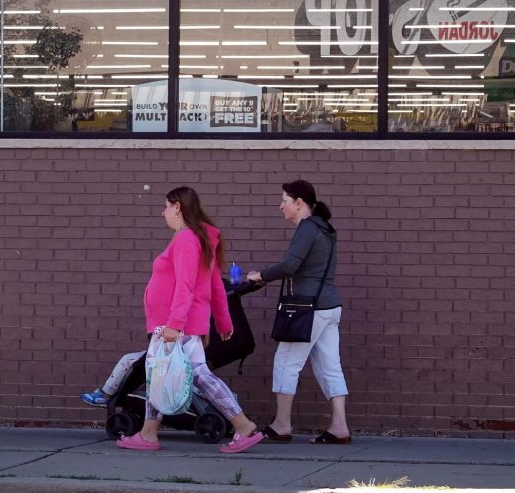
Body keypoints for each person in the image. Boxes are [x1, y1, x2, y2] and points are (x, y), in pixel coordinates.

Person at [114, 186, 264, 454]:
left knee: (163, 373)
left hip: (173, 325)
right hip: (180, 323)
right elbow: (214, 284)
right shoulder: (199, 239)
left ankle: (242, 426)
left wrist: (175, 323)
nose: (163, 213)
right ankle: (149, 433)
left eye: (165, 206)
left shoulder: (185, 239)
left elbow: (185, 285)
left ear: (177, 207)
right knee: (163, 374)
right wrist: (222, 321)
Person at [246, 179, 350, 444]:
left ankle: (282, 424)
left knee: (285, 362)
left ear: (299, 203)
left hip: (308, 308)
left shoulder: (308, 227)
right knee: (330, 366)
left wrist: (261, 276)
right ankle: (339, 426)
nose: (280, 206)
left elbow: (290, 265)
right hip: (329, 307)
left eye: (284, 200)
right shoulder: (326, 229)